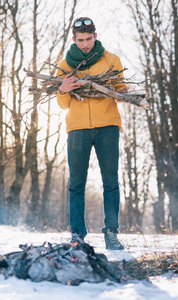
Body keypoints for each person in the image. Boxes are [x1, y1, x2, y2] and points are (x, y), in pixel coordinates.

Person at [56, 17, 127, 250]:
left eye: (88, 39)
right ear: (73, 40)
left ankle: (111, 233)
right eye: (80, 40)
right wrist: (62, 89)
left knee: (111, 181)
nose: (85, 44)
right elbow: (63, 105)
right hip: (77, 129)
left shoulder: (111, 60)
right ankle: (77, 233)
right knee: (76, 183)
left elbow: (120, 90)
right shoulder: (65, 65)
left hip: (107, 126)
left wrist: (122, 93)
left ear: (95, 36)